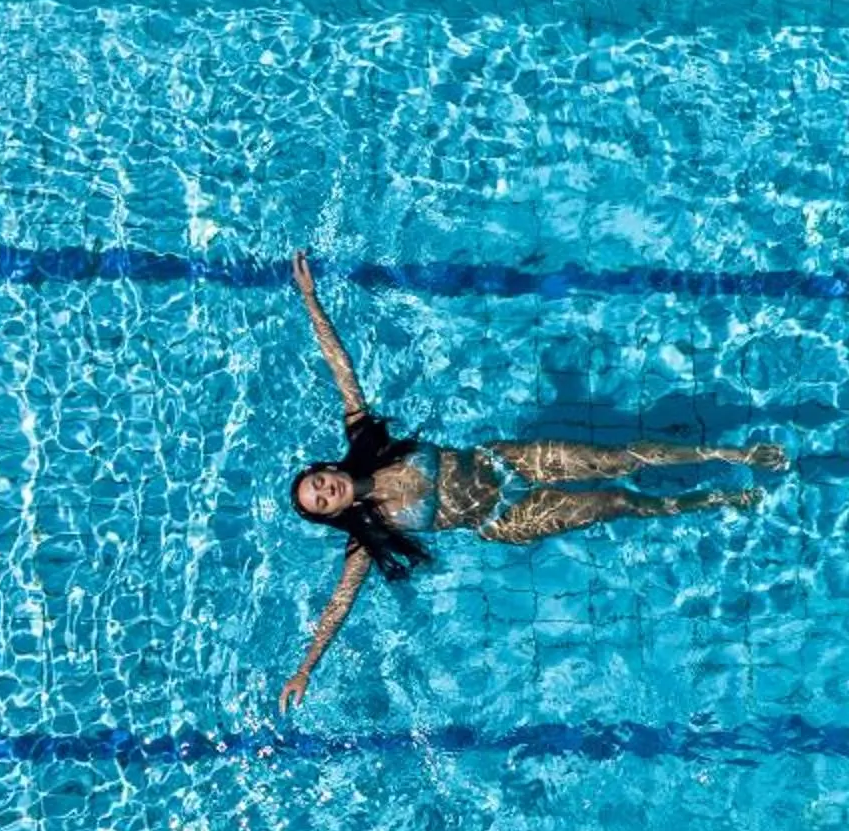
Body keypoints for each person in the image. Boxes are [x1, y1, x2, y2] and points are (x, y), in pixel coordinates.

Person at [280, 251, 785, 707]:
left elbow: (341, 369)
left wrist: (310, 299)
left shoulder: (366, 439)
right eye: (322, 503)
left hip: (510, 463)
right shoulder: (369, 538)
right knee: (616, 502)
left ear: (328, 469)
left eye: (319, 483)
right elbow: (338, 606)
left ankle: (731, 451)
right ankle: (713, 498)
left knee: (620, 459)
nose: (327, 491)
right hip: (506, 517)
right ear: (336, 514)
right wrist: (306, 669)